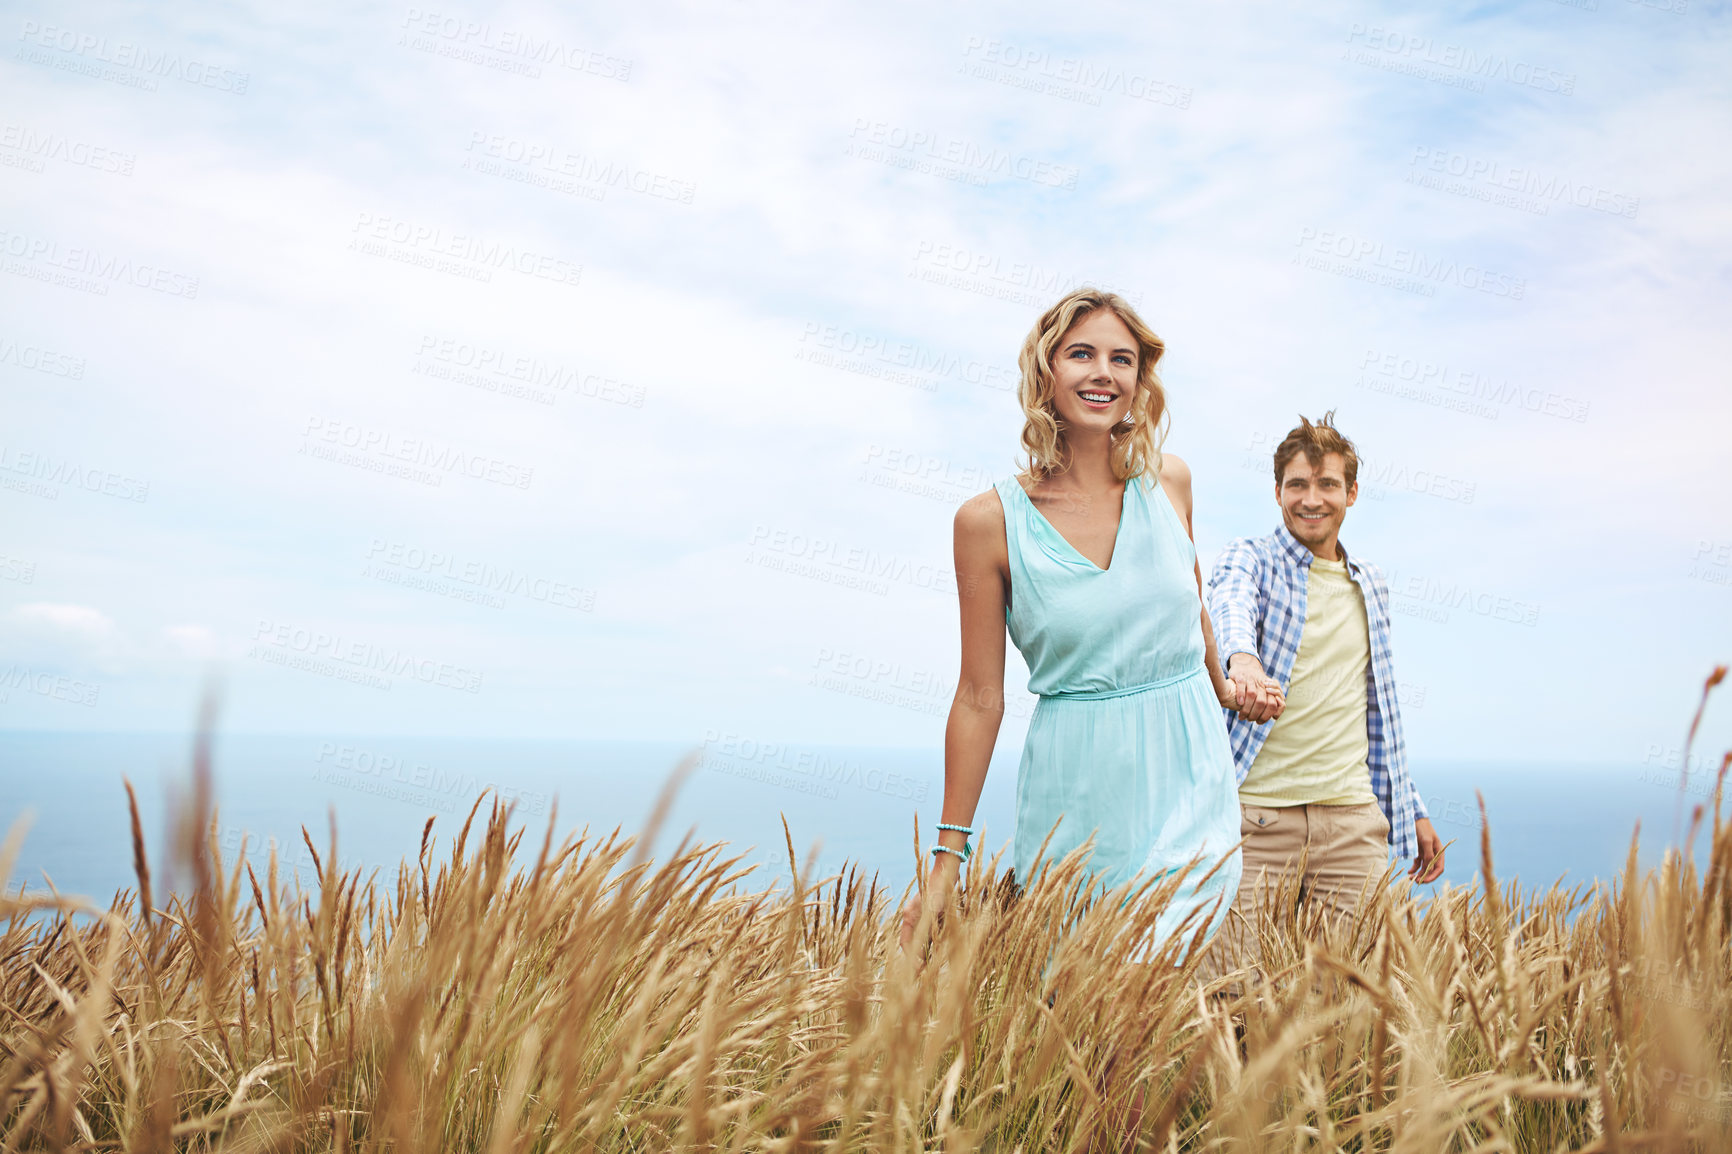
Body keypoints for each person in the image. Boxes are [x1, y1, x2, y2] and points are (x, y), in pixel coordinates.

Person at [899, 287, 1252, 958]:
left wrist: (1227, 688)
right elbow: (978, 696)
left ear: (1139, 380)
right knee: (1089, 1017)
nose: (1103, 373)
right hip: (1076, 792)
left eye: (1122, 359)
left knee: (1198, 1001)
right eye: (1081, 354)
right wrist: (946, 861)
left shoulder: (1170, 482)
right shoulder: (988, 523)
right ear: (1044, 373)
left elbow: (1191, 605)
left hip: (1192, 778)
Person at [1205, 412, 1445, 979]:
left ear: (1352, 493)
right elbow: (1229, 606)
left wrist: (1412, 810)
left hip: (1354, 822)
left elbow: (1375, 710)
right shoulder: (1251, 559)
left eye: (1327, 484)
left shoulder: (1372, 583)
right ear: (1277, 492)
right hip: (1255, 820)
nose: (1312, 499)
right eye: (1297, 485)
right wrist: (1242, 662)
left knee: (1349, 1002)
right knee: (1228, 997)